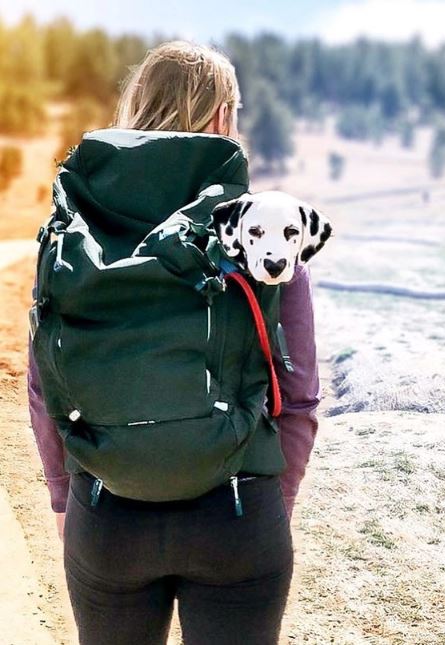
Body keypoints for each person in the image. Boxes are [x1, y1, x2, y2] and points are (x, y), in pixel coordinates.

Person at [27, 40, 321, 645]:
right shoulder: (259, 229)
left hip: (108, 514)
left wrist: (65, 499)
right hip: (237, 512)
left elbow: (46, 381)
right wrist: (276, 502)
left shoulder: (75, 229)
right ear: (220, 119)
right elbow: (296, 393)